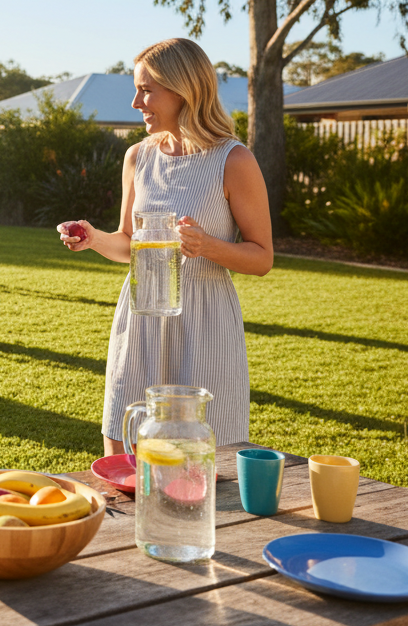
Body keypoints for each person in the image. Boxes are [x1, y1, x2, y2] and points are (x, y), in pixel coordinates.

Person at [57, 38, 273, 456]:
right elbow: (128, 244)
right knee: (123, 448)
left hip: (205, 323)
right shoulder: (137, 157)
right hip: (140, 318)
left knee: (203, 458)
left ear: (184, 89)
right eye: (137, 89)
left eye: (146, 89)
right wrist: (93, 238)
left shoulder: (234, 160)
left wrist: (208, 245)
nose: (136, 101)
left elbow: (262, 257)